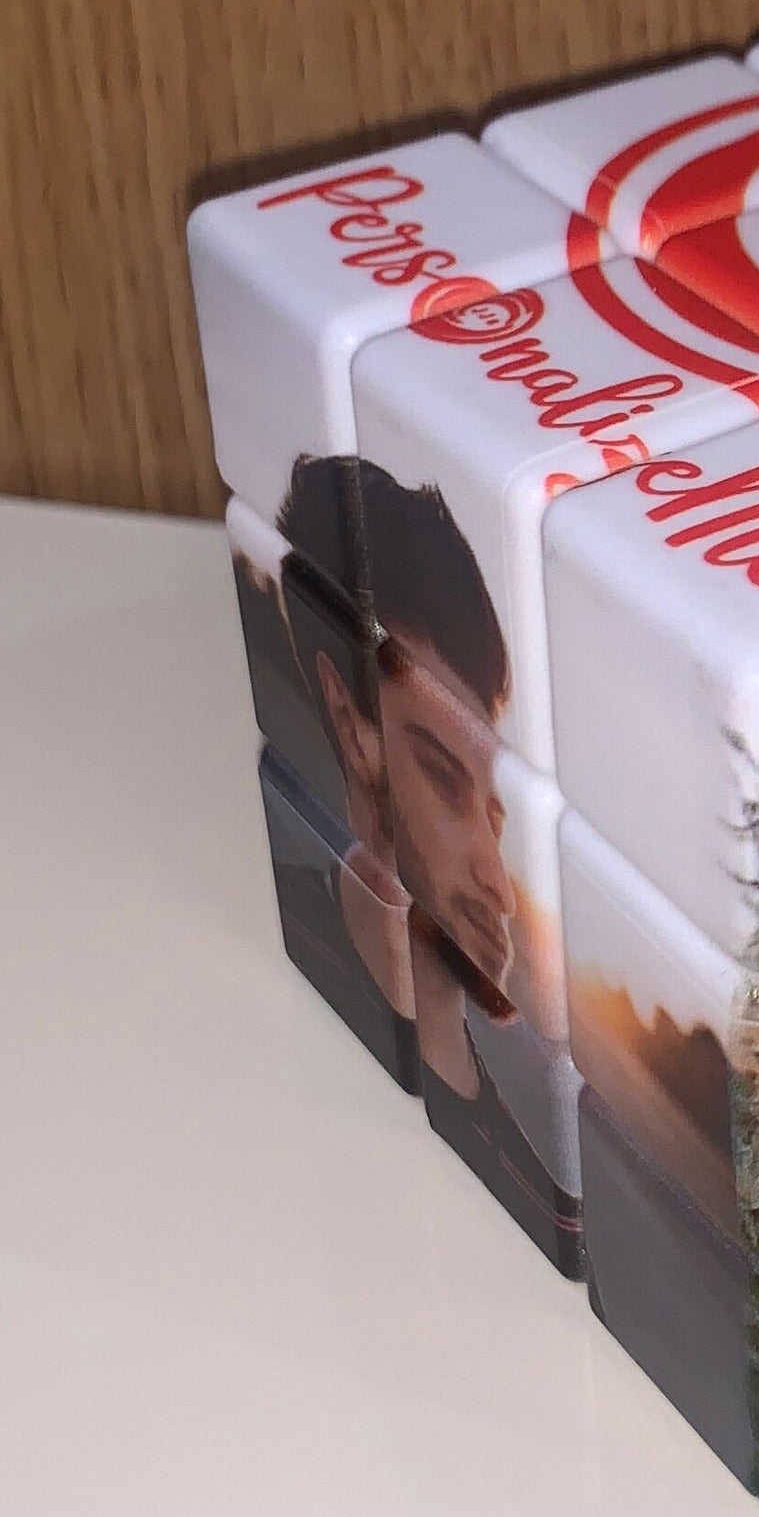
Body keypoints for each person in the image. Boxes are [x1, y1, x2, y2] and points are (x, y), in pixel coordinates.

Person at [286, 453, 582, 1275]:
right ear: (353, 726)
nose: (499, 884)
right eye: (448, 782)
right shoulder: (288, 955)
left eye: (496, 814)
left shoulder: (542, 1195)